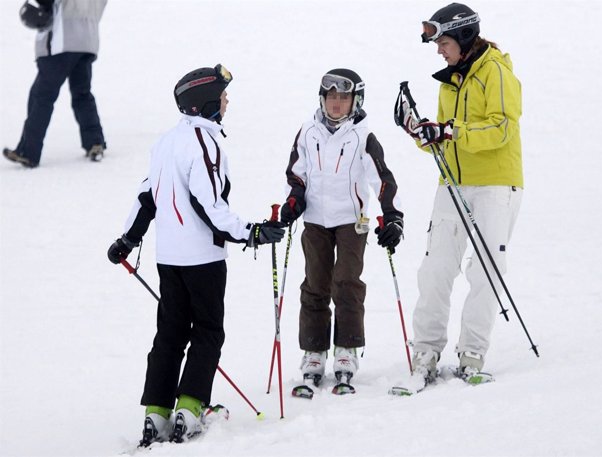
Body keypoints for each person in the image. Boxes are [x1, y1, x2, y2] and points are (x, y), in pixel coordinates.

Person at [106, 64, 285, 446]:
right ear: (207, 103)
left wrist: (128, 239)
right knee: (207, 332)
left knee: (170, 334)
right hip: (202, 259)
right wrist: (249, 232)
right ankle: (189, 408)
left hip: (168, 258)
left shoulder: (167, 142)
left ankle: (156, 413)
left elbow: (145, 197)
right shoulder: (206, 143)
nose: (227, 101)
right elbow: (209, 204)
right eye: (222, 95)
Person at [400, 3, 523, 384]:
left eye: (444, 42)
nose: (439, 50)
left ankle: (472, 352)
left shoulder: (497, 72)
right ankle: (425, 351)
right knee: (436, 268)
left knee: (486, 269)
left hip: (495, 185)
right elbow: (445, 137)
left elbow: (501, 129)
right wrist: (424, 133)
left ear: (465, 36)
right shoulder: (448, 79)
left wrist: (451, 131)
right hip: (452, 183)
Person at [280, 68, 404, 386]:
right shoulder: (308, 132)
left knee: (347, 282)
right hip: (316, 221)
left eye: (343, 97)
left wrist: (392, 216)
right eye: (331, 96)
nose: (336, 103)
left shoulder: (363, 135)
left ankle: (346, 348)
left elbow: (382, 178)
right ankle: (314, 351)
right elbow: (296, 172)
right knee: (315, 285)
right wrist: (294, 199)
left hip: (352, 220)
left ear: (355, 101)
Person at [3, 0, 107, 168]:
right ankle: (95, 143)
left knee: (41, 96)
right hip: (87, 40)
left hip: (61, 41)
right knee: (82, 95)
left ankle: (28, 152)